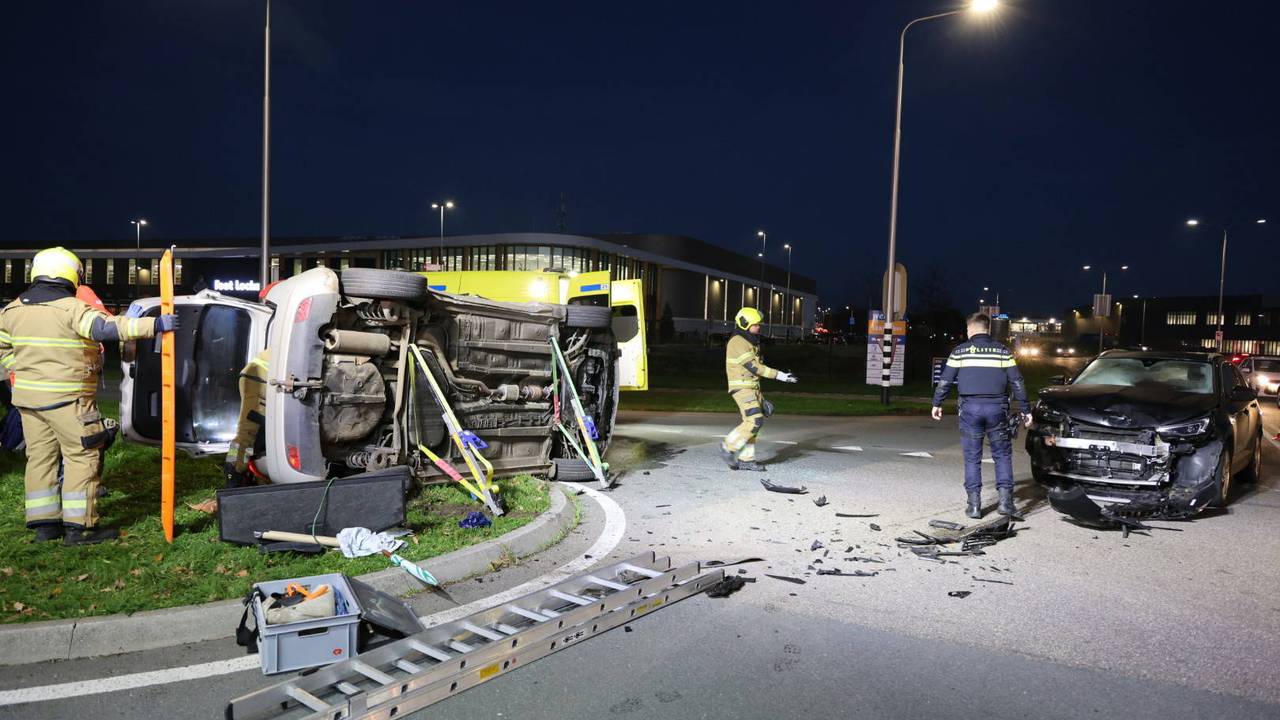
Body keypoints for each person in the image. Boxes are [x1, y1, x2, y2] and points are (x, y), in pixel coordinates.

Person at [0, 247, 178, 545]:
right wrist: (155, 324)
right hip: (69, 401)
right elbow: (105, 328)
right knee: (82, 457)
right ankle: (80, 528)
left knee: (40, 459)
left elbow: (4, 350)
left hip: (29, 402)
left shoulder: (12, 310)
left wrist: (22, 372)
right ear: (72, 275)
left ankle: (44, 525)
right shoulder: (71, 309)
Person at [931, 313, 1031, 519]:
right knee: (1002, 455)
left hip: (970, 409)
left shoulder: (960, 351)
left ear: (971, 329)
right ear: (988, 329)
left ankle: (974, 506)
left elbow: (945, 381)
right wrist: (1025, 409)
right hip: (997, 409)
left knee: (972, 458)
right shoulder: (1003, 351)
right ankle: (1005, 503)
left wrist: (937, 403)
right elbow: (1017, 381)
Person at [720, 307, 797, 471]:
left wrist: (761, 399)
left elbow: (755, 372)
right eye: (756, 324)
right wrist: (780, 375)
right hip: (741, 387)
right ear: (745, 323)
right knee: (755, 420)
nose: (759, 327)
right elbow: (754, 367)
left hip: (751, 387)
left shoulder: (749, 340)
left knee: (752, 424)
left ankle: (746, 460)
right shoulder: (737, 341)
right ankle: (729, 446)